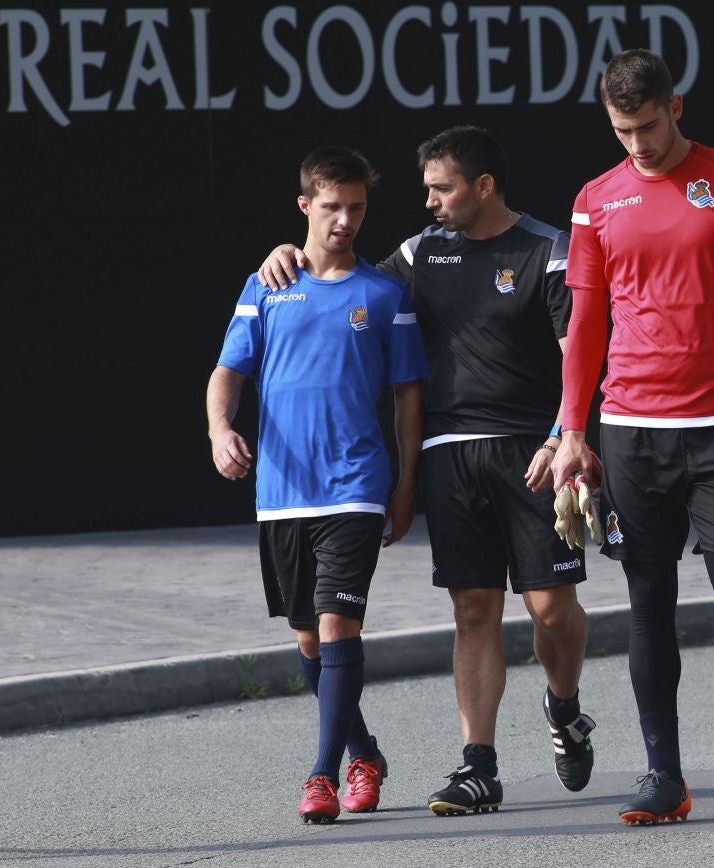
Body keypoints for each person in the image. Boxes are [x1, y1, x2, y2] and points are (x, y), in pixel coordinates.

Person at [256, 126, 595, 817]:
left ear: (483, 187)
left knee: (550, 610)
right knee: (474, 609)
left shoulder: (548, 250)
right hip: (451, 452)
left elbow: (579, 356)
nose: (430, 202)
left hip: (534, 449)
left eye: (441, 189)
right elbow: (341, 282)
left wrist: (566, 438)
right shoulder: (418, 252)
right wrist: (287, 253)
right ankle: (479, 766)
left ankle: (565, 709)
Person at [550, 48, 714, 826]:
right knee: (649, 603)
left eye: (647, 125)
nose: (636, 144)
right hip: (631, 429)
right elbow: (585, 325)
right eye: (620, 130)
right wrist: (573, 430)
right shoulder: (596, 199)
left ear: (678, 104)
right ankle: (663, 774)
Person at [207, 146, 427, 823]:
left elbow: (409, 398)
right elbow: (227, 373)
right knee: (309, 640)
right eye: (332, 206)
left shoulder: (385, 293)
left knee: (338, 625)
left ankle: (322, 775)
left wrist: (405, 485)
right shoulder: (267, 284)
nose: (346, 220)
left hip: (356, 486)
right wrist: (220, 431)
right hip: (280, 491)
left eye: (357, 207)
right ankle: (363, 750)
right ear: (305, 205)